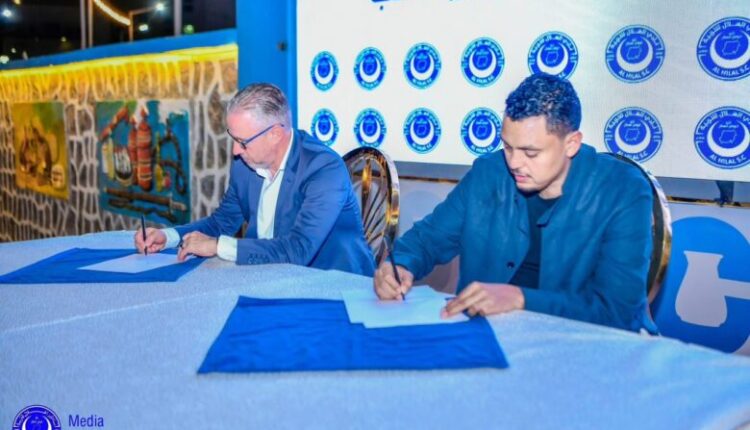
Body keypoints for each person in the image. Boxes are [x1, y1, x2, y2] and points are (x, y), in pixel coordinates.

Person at [374, 73, 656, 333]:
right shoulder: (488, 173)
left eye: (530, 153)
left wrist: (521, 298)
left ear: (571, 144)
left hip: (582, 343)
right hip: (486, 335)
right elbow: (427, 239)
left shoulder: (624, 190)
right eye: (508, 147)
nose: (514, 163)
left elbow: (617, 311)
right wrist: (400, 267)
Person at [134, 83, 375, 276]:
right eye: (233, 139)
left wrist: (218, 246)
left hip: (333, 287)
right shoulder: (245, 164)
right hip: (267, 278)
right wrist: (169, 237)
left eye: (242, 142)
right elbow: (221, 223)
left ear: (275, 134)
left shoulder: (323, 168)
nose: (235, 151)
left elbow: (298, 250)